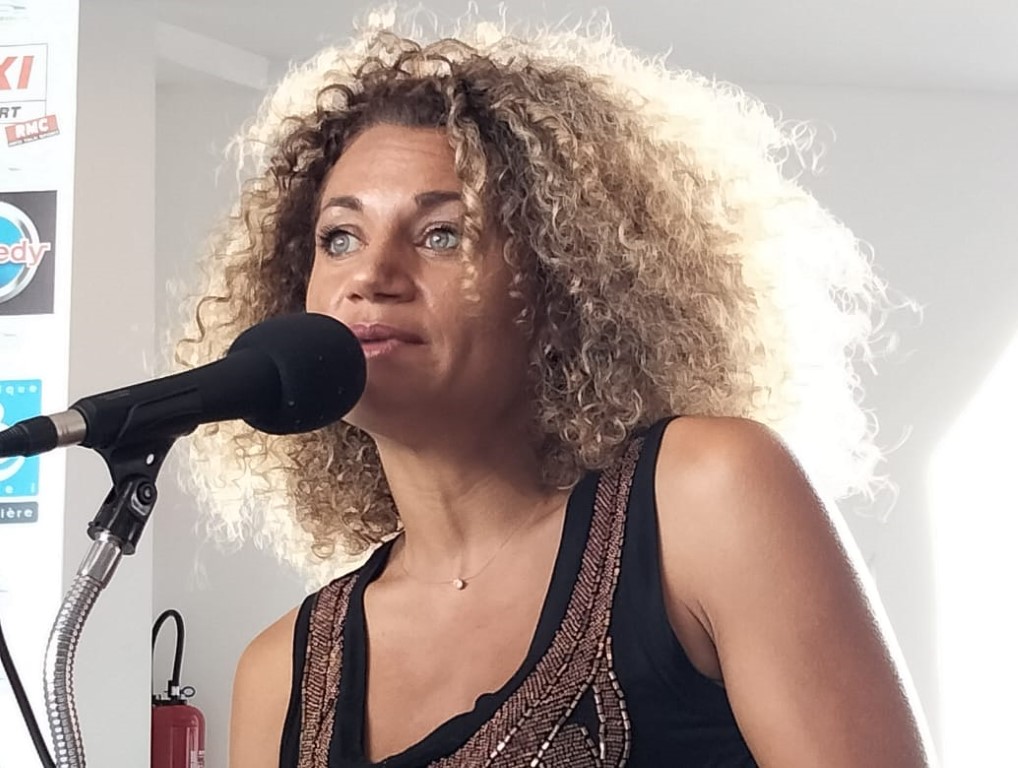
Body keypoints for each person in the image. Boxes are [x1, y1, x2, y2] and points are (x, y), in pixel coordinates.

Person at [175, 9, 935, 767]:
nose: (371, 276)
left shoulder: (706, 496)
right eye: (339, 238)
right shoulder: (281, 678)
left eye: (443, 233)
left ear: (559, 278)